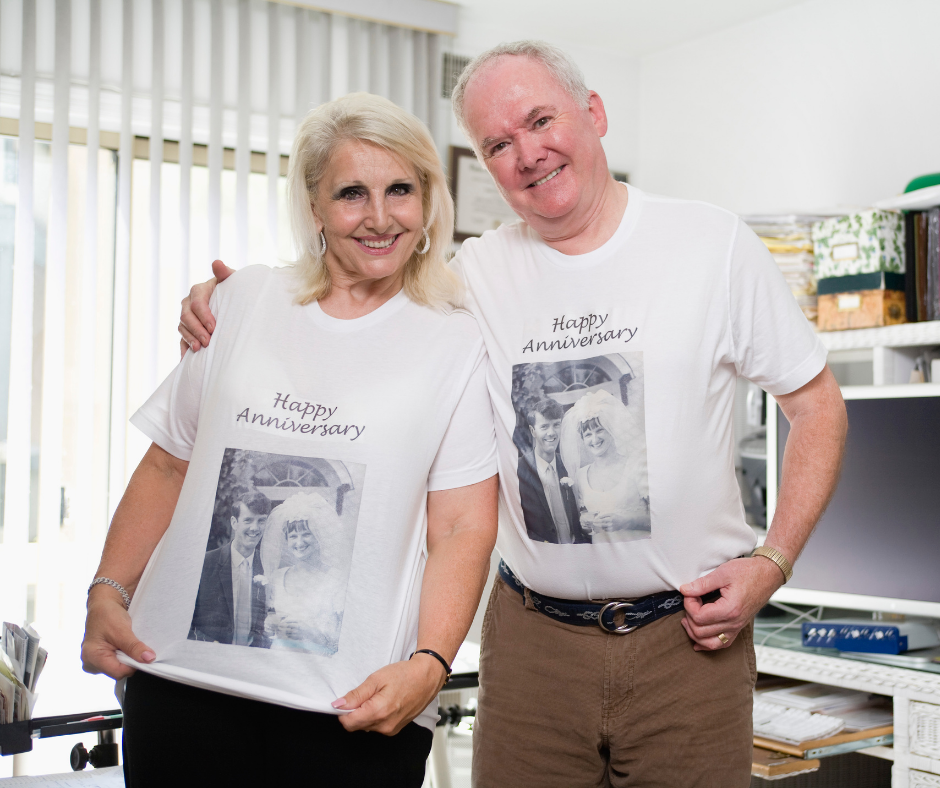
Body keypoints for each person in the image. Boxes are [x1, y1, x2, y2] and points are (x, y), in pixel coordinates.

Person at [178, 42, 847, 788]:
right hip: (534, 646)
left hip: (688, 641)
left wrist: (773, 562)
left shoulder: (710, 244)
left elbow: (816, 405)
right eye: (498, 143)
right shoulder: (470, 278)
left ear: (592, 114)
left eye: (540, 120)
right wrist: (237, 308)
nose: (527, 153)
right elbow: (348, 324)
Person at [81, 92, 498, 788]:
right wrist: (107, 590)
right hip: (183, 686)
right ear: (314, 207)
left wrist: (429, 664)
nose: (378, 216)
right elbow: (166, 464)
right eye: (350, 193)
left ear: (427, 201)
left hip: (351, 710)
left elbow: (459, 526)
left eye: (400, 189)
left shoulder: (456, 340)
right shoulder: (242, 302)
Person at [560, 390, 650, 543]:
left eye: (599, 430)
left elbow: (661, 519)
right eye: (588, 434)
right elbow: (585, 528)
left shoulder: (635, 465)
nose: (594, 439)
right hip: (603, 558)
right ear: (582, 439)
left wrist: (627, 521)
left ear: (610, 431)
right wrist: (585, 522)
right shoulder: (581, 476)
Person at [259, 493, 346, 653]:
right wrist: (270, 625)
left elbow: (340, 643)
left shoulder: (336, 579)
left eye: (306, 534)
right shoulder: (278, 577)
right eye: (293, 536)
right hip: (278, 659)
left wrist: (309, 632)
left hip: (316, 663)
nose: (299, 542)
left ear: (319, 536)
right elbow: (271, 629)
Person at [188, 491, 271, 646]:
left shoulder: (269, 565)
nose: (255, 528)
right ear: (234, 522)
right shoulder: (205, 564)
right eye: (248, 520)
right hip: (211, 658)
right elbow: (184, 621)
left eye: (261, 521)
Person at [517, 398, 586, 544]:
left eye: (556, 425)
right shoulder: (519, 469)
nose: (551, 433)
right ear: (533, 431)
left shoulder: (569, 464)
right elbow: (516, 522)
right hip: (543, 556)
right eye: (544, 427)